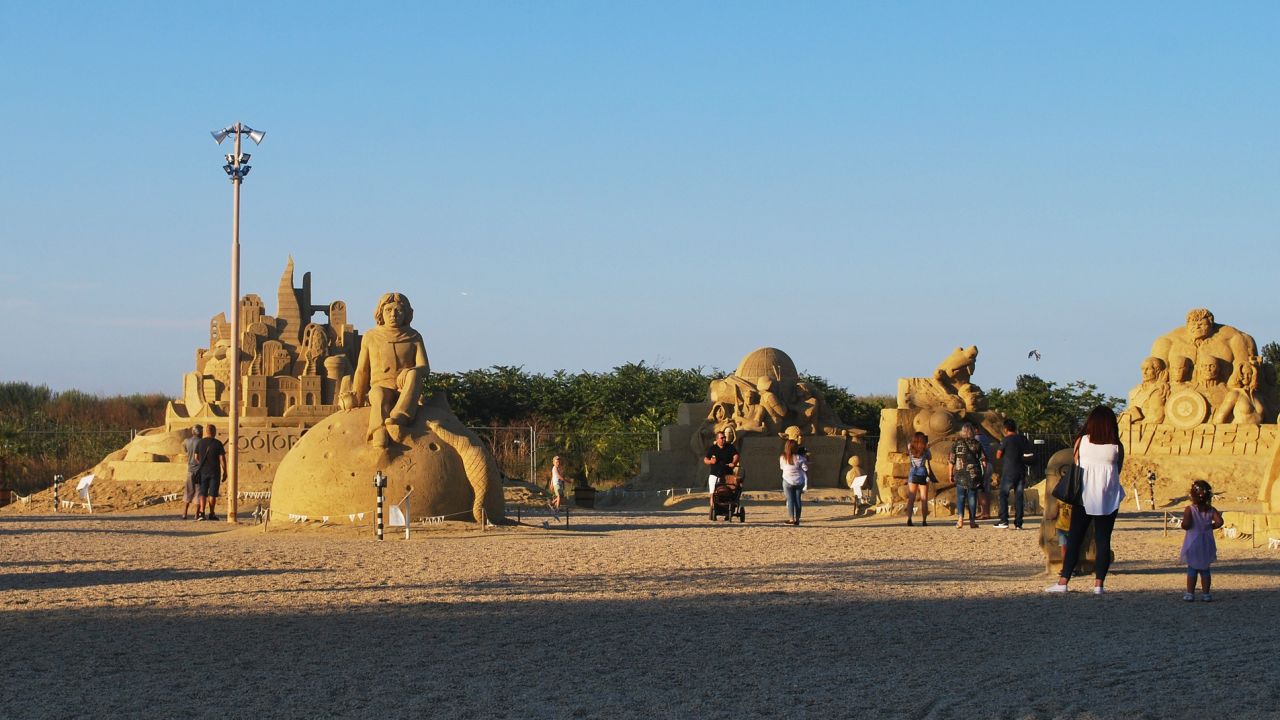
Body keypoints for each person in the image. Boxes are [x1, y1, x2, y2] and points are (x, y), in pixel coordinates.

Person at [1046, 406, 1125, 595]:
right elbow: (1118, 468)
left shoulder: (1082, 441)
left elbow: (1077, 463)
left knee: (1074, 538)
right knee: (1103, 540)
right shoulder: (1116, 446)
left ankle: (1063, 581)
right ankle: (1099, 585)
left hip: (1084, 495)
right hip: (1109, 496)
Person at [352, 292, 430, 447]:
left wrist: (409, 371)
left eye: (398, 310)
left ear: (406, 313)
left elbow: (425, 368)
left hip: (404, 389)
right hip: (381, 387)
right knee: (378, 395)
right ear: (381, 312)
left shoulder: (414, 336)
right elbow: (362, 370)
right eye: (388, 310)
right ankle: (378, 430)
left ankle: (401, 415)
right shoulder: (371, 336)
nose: (393, 314)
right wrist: (357, 398)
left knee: (414, 374)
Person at [1180, 480, 1223, 602]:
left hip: (1193, 541)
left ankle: (1190, 593)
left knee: (1192, 568)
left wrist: (1183, 525)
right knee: (1205, 569)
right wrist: (1210, 527)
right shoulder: (1211, 509)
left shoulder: (1190, 509)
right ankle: (1206, 594)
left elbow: (1187, 524)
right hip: (1207, 541)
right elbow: (1220, 522)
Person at [994, 419, 1034, 529]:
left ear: (1005, 429)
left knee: (1003, 495)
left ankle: (1004, 520)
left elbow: (998, 455)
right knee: (1019, 497)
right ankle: (1018, 523)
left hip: (1009, 471)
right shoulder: (1023, 439)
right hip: (1021, 470)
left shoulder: (1006, 440)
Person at [948, 423, 986, 529]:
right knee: (972, 497)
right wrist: (983, 473)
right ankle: (972, 521)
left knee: (960, 496)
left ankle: (960, 520)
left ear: (962, 432)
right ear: (973, 432)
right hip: (974, 473)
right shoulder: (977, 444)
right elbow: (983, 461)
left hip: (960, 473)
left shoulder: (956, 444)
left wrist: (950, 473)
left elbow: (951, 460)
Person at [194, 425, 228, 521]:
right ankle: (212, 513)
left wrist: (201, 463)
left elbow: (195, 457)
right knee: (212, 493)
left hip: (203, 471)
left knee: (203, 493)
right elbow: (222, 459)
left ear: (206, 431)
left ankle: (201, 513)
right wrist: (225, 471)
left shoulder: (200, 442)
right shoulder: (218, 443)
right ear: (214, 432)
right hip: (214, 471)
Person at [703, 430, 739, 515]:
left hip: (727, 475)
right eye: (722, 438)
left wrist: (733, 463)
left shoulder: (730, 447)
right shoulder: (713, 448)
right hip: (714, 474)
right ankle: (713, 510)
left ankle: (729, 510)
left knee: (730, 493)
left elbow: (736, 455)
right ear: (717, 439)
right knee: (713, 494)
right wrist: (711, 461)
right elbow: (705, 459)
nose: (724, 439)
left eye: (724, 438)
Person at [905, 431, 934, 526]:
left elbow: (908, 451)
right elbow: (930, 458)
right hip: (922, 472)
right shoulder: (925, 449)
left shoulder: (910, 447)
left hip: (913, 471)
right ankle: (924, 520)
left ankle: (909, 519)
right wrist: (927, 447)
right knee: (924, 498)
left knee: (911, 498)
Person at [779, 438, 808, 525]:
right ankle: (797, 519)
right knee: (798, 500)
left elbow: (782, 467)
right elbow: (805, 468)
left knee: (790, 500)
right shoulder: (800, 458)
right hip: (799, 481)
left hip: (787, 480)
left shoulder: (783, 457)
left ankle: (791, 519)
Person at [181, 424, 203, 520]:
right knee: (198, 492)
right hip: (199, 470)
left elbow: (183, 448)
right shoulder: (201, 442)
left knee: (188, 491)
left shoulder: (186, 441)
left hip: (190, 470)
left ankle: (184, 513)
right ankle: (196, 514)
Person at [974, 425, 996, 519]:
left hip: (983, 465)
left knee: (981, 490)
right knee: (986, 489)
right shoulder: (985, 437)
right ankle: (986, 512)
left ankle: (984, 513)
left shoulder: (976, 438)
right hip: (989, 464)